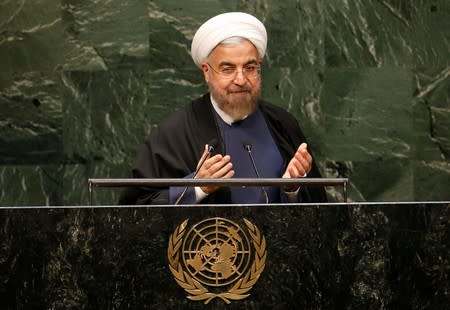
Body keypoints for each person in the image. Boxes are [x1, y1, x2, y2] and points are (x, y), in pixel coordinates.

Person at [119, 12, 327, 205]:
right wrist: (197, 187)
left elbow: (320, 212)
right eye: (228, 69)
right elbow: (135, 211)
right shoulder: (175, 133)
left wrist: (291, 188)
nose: (241, 79)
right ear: (206, 72)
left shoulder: (282, 124)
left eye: (250, 67)